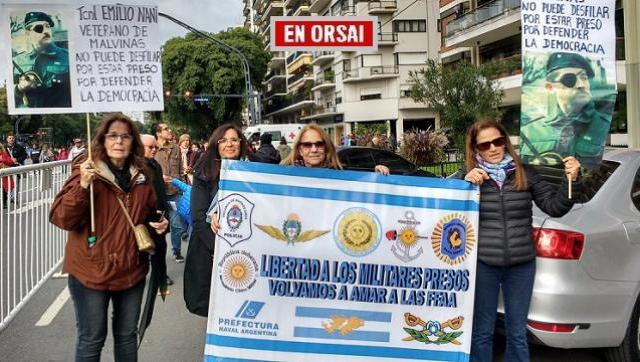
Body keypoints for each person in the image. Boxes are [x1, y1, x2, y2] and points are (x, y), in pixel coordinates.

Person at [457, 118, 581, 362]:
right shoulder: (468, 177)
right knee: (482, 332)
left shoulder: (525, 173)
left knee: (517, 333)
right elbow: (439, 204)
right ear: (475, 149)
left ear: (505, 142)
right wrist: (463, 184)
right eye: (484, 145)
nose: (493, 148)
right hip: (484, 264)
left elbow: (555, 207)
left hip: (522, 265)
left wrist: (571, 180)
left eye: (498, 141)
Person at [49, 113, 168, 361]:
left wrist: (160, 224)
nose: (118, 141)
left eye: (125, 136)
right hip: (90, 272)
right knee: (92, 339)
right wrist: (82, 185)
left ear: (132, 141)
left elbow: (148, 214)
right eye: (112, 135)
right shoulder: (85, 170)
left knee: (127, 337)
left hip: (131, 269)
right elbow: (62, 218)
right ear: (102, 140)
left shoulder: (144, 174)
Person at [184, 123, 248, 317]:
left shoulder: (252, 170)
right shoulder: (204, 170)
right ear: (215, 144)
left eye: (234, 140)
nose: (229, 144)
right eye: (223, 140)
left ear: (241, 143)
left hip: (246, 254)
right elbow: (198, 216)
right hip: (211, 252)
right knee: (218, 315)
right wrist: (222, 253)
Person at [520, 52, 612, 168]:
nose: (581, 85)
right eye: (570, 79)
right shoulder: (529, 131)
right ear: (550, 87)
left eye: (583, 77)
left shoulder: (604, 126)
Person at [13, 11, 71, 108]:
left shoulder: (68, 57)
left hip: (57, 118)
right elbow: (8, 99)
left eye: (47, 26)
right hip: (28, 118)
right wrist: (19, 88)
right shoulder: (17, 61)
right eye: (39, 28)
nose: (45, 31)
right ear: (28, 33)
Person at [281, 123, 389, 175]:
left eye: (319, 144)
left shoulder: (342, 175)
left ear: (326, 148)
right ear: (300, 149)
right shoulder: (284, 176)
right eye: (307, 145)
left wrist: (376, 177)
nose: (314, 149)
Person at [141, 134, 172, 288]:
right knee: (142, 248)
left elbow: (160, 190)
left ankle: (161, 275)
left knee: (160, 247)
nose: (154, 150)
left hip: (160, 214)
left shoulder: (155, 165)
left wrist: (165, 208)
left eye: (155, 147)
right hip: (143, 217)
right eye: (150, 147)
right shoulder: (136, 167)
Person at [154, 123, 186, 262]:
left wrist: (182, 187)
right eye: (166, 129)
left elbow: (180, 171)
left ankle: (176, 250)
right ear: (158, 133)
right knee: (157, 227)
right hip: (157, 195)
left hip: (175, 193)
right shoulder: (151, 149)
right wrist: (158, 178)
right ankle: (155, 257)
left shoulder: (176, 148)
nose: (169, 131)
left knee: (177, 224)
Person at [0, 144, 16, 208]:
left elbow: (11, 161)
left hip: (3, 175)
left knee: (3, 190)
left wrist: (3, 160)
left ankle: (4, 203)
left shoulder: (4, 154)